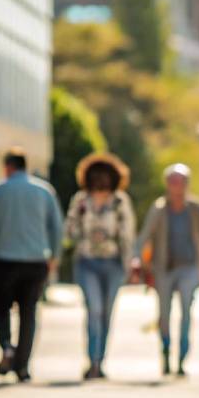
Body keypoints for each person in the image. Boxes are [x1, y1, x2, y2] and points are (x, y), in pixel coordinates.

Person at [0, 148, 63, 383]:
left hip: (4, 261)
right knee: (28, 313)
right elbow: (57, 227)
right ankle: (22, 366)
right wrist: (54, 255)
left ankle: (6, 346)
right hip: (36, 262)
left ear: (8, 167)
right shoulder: (44, 192)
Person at [131, 164, 199, 377]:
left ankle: (181, 358)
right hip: (164, 268)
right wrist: (137, 259)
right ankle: (165, 350)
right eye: (171, 182)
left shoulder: (198, 209)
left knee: (186, 312)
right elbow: (144, 237)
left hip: (190, 267)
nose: (175, 187)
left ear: (186, 184)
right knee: (163, 314)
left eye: (179, 182)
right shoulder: (159, 209)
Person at [65, 152, 136, 380]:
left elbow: (127, 235)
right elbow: (69, 231)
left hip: (113, 263)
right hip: (87, 262)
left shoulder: (119, 201)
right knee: (94, 310)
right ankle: (92, 359)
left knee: (106, 313)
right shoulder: (81, 201)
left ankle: (100, 360)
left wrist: (128, 265)